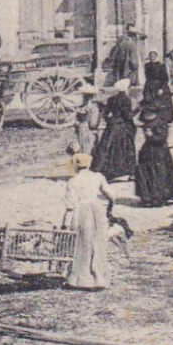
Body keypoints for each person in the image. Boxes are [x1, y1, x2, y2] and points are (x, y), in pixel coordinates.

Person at [134, 61, 173, 208]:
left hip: (158, 149)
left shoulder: (158, 120)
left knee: (159, 173)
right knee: (148, 172)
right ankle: (148, 196)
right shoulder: (160, 87)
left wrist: (151, 134)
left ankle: (158, 197)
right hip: (149, 149)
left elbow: (161, 137)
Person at [63, 153, 116, 291]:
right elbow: (111, 195)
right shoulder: (98, 177)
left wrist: (65, 224)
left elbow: (70, 206)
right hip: (96, 210)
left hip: (80, 212)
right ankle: (99, 278)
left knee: (81, 244)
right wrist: (110, 207)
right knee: (98, 243)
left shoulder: (73, 182)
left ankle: (80, 280)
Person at [91, 84, 138, 183]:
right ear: (126, 89)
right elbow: (128, 116)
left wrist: (110, 120)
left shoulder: (111, 99)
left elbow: (105, 113)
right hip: (122, 126)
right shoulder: (126, 99)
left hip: (111, 126)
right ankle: (128, 172)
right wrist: (137, 110)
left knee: (107, 148)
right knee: (125, 148)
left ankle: (104, 172)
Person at [70, 83, 103, 157]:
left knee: (81, 152)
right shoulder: (94, 108)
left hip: (81, 131)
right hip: (89, 133)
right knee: (89, 154)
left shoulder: (81, 107)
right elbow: (93, 124)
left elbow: (76, 121)